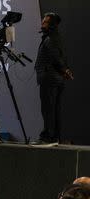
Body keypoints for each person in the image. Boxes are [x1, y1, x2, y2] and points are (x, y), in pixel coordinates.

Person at [36, 12, 73, 144]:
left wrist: (65, 70)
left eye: (45, 22)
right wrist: (65, 71)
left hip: (49, 79)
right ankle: (55, 136)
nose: (42, 23)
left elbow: (56, 57)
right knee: (54, 109)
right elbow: (61, 57)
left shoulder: (50, 39)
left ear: (52, 24)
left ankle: (48, 136)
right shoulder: (56, 38)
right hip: (56, 80)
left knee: (48, 109)